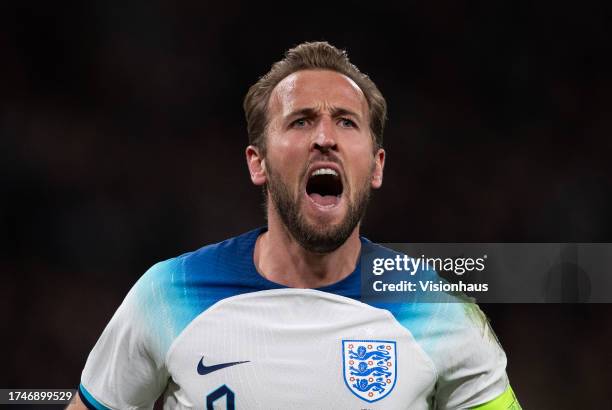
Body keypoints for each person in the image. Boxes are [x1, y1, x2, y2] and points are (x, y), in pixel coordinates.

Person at [69, 41, 521, 409]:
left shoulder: (438, 311)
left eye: (346, 122)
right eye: (301, 121)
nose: (325, 138)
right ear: (258, 162)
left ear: (377, 166)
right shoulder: (167, 294)